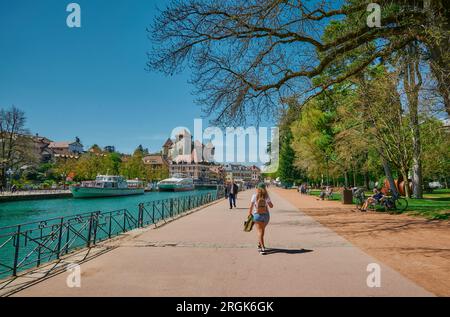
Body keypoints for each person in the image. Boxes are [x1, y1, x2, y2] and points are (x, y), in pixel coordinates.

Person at [248, 183, 274, 255]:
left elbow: (251, 207)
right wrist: (266, 205)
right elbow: (271, 206)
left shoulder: (254, 196)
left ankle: (262, 248)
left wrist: (249, 214)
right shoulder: (266, 196)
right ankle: (260, 244)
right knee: (262, 231)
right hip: (266, 216)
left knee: (260, 231)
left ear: (258, 188)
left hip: (257, 215)